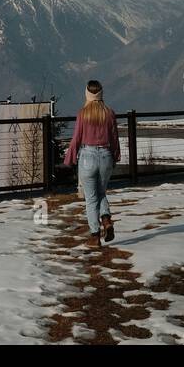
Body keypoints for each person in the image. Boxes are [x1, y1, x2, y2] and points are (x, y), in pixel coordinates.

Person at [63, 79, 120, 247]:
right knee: (101, 192)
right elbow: (114, 138)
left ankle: (95, 236)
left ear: (87, 94)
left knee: (91, 198)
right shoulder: (109, 113)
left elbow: (76, 139)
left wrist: (69, 159)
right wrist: (115, 156)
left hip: (87, 156)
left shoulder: (83, 113)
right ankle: (106, 220)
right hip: (105, 156)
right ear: (101, 93)